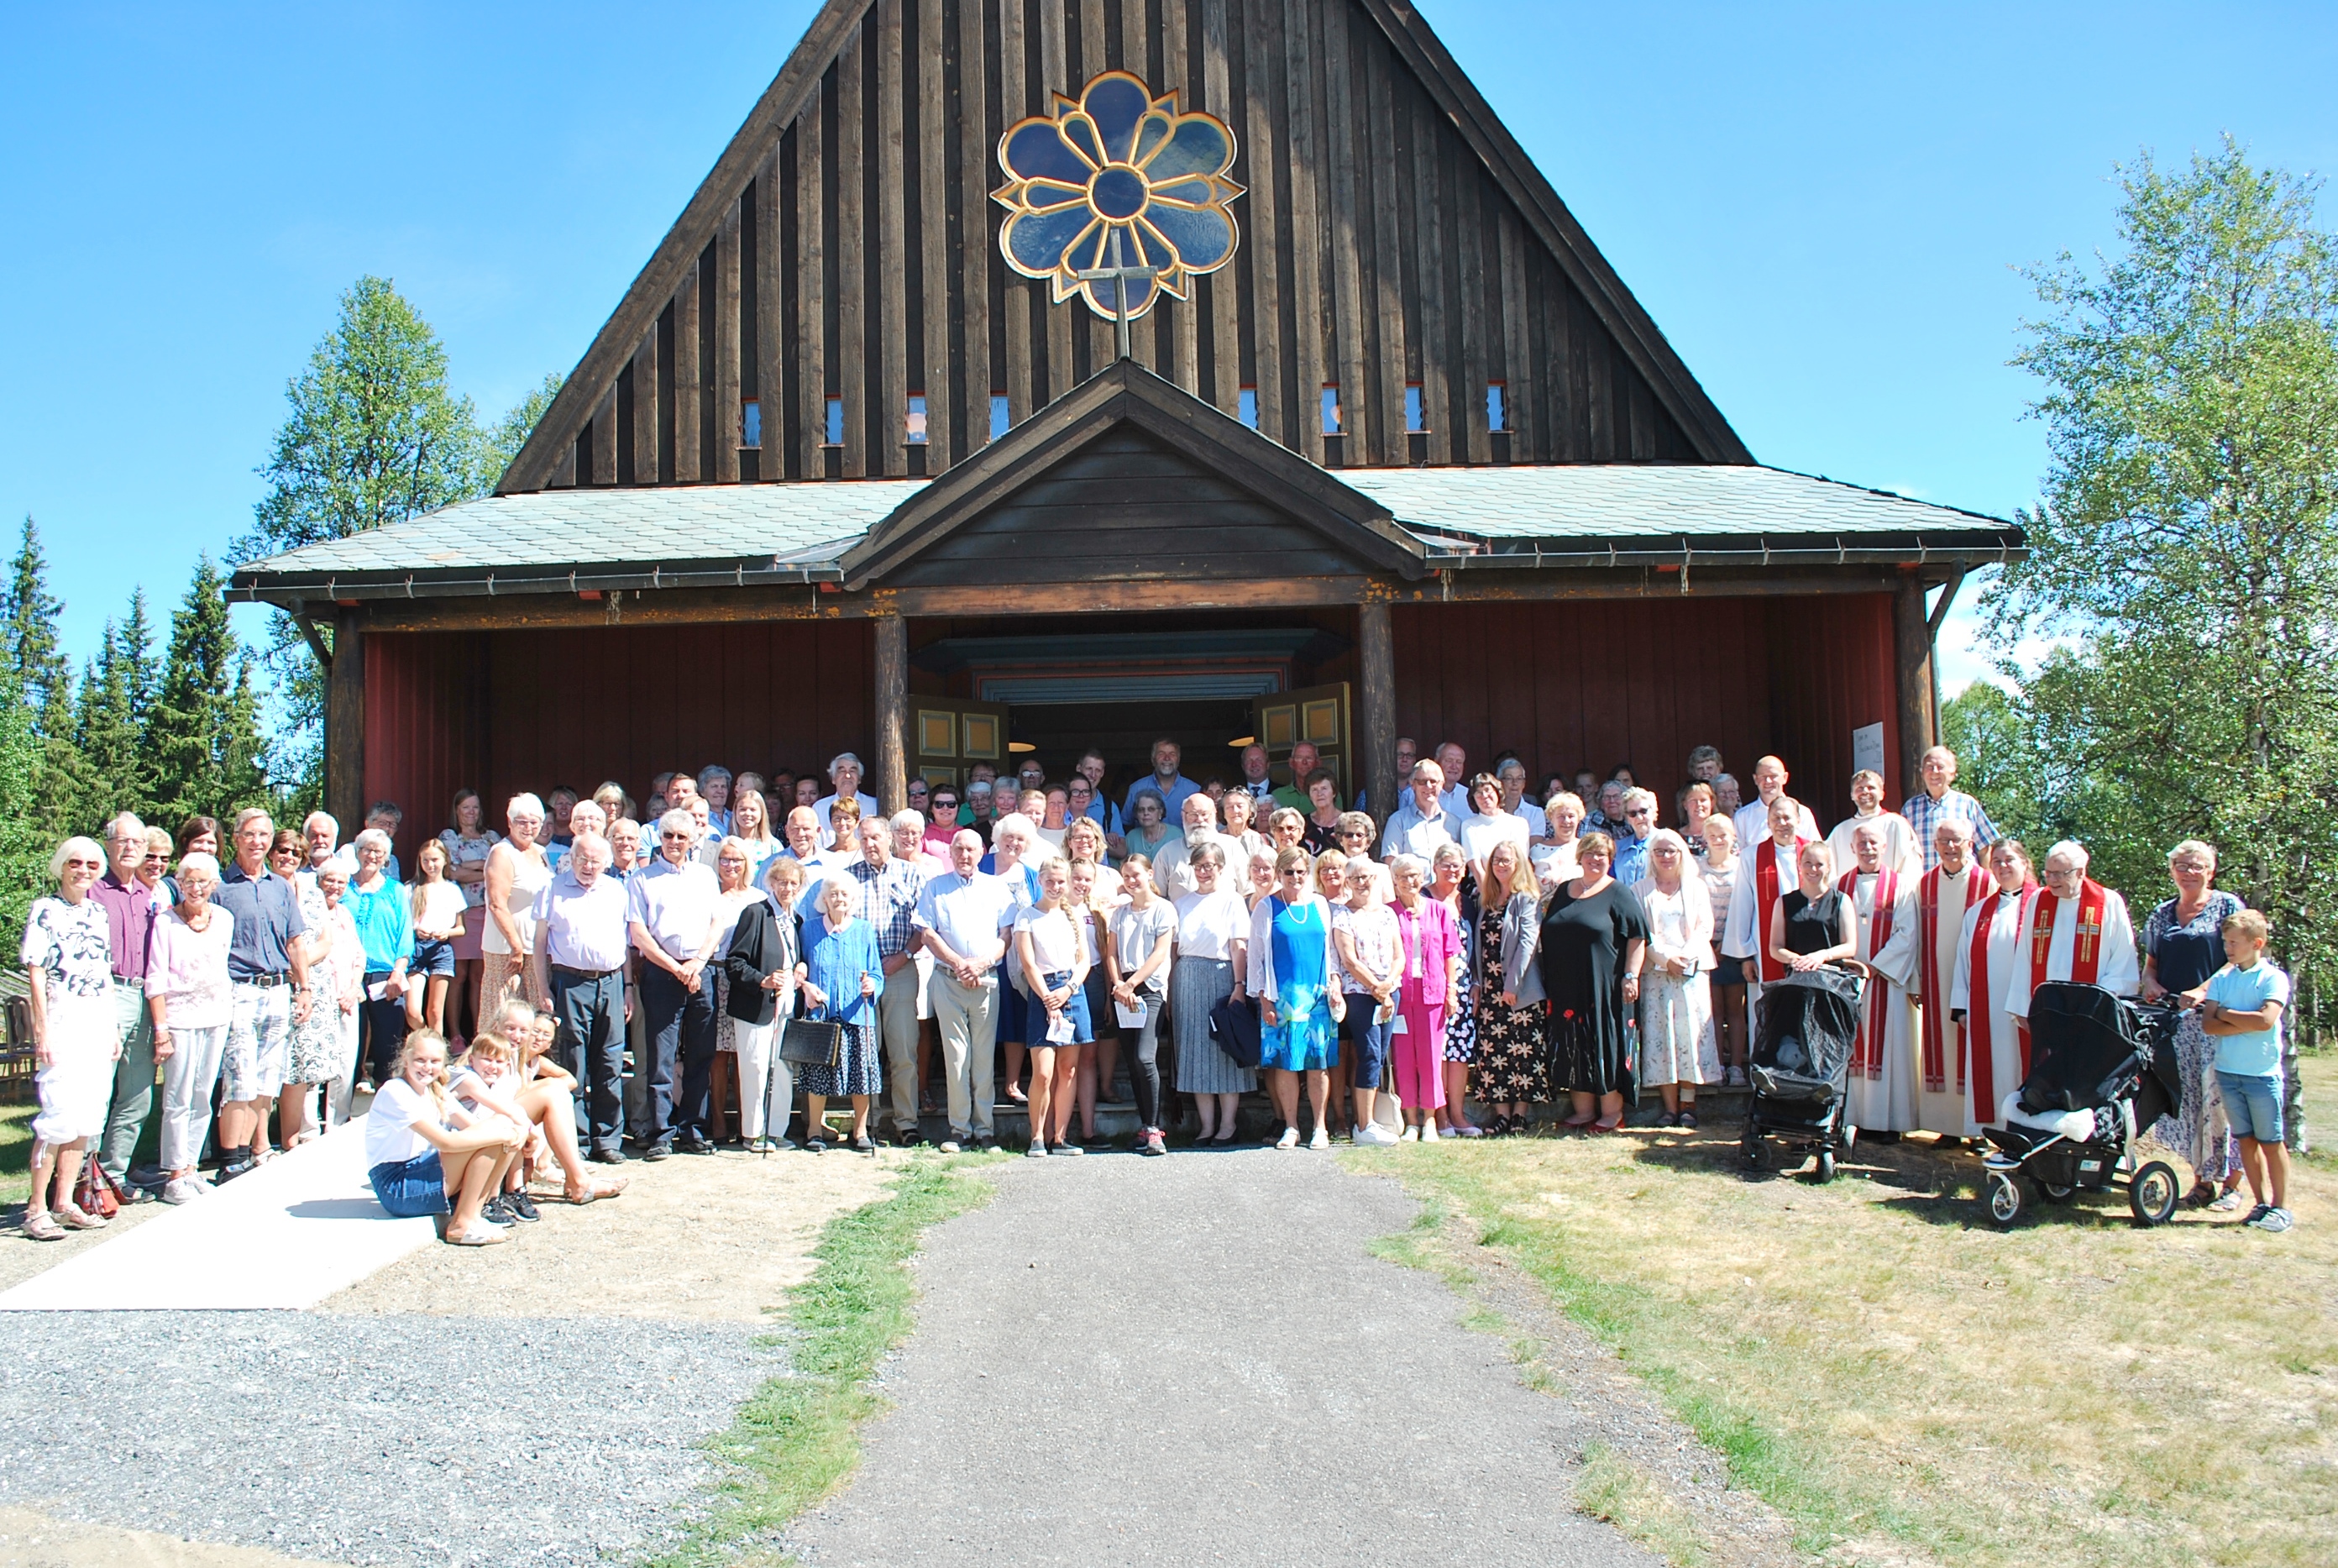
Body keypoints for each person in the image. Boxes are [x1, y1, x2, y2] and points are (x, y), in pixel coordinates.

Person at [16, 837, 119, 1240]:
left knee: (87, 1115)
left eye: (93, 864)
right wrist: (42, 1026)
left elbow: (104, 973)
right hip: (62, 1017)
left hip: (95, 1019)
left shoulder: (98, 912)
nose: (84, 870)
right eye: (75, 863)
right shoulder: (45, 910)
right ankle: (36, 1208)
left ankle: (64, 1202)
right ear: (62, 866)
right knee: (57, 1116)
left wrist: (111, 1027)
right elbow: (36, 970)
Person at [2141, 840, 2247, 1205]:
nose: (2188, 872)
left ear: (2211, 870)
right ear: (2171, 871)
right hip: (2175, 1025)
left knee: (2222, 1100)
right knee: (2189, 1103)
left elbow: (2239, 957)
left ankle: (2232, 1184)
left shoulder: (2227, 906)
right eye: (2181, 866)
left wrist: (2204, 989)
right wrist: (2150, 983)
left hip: (2216, 1021)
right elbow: (2150, 964)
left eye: (2196, 866)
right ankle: (2202, 1182)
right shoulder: (2162, 913)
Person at [211, 810, 312, 1180]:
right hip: (239, 988)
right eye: (250, 834)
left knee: (268, 1077)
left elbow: (296, 941)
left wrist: (304, 988)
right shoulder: (220, 887)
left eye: (264, 835)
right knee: (239, 1076)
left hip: (278, 990)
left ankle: (254, 1151)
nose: (258, 841)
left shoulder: (280, 887)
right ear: (236, 838)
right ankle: (229, 1159)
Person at [364, 1031, 525, 1246]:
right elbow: (445, 1142)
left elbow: (475, 1127)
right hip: (396, 1185)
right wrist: (505, 1134)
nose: (427, 1067)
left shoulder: (435, 1090)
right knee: (497, 1135)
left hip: (420, 1168)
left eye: (434, 1061)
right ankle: (461, 1224)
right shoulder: (395, 1091)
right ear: (406, 1059)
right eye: (420, 1060)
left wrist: (513, 1129)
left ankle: (474, 1216)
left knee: (498, 1128)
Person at [2184, 910, 2292, 1232]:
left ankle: (2281, 1207)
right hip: (2229, 1072)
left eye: (2234, 943)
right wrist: (2241, 1019)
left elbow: (2266, 1021)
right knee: (2245, 1140)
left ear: (2256, 943)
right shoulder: (2222, 980)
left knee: (2271, 1141)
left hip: (2262, 1074)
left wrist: (2228, 1015)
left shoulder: (2273, 978)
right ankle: (2260, 1204)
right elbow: (2209, 1024)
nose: (2228, 949)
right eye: (2226, 942)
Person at [530, 831, 632, 1163]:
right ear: (571, 860)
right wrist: (543, 989)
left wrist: (628, 988)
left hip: (612, 983)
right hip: (570, 983)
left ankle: (608, 1141)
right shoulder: (552, 888)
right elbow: (539, 944)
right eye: (583, 860)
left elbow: (626, 943)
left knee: (610, 1061)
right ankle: (578, 1140)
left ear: (607, 862)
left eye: (596, 860)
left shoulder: (617, 890)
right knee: (573, 1063)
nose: (589, 866)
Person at [1540, 828, 1650, 1135]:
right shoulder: (1564, 890)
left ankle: (1612, 1113)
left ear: (1610, 859)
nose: (1595, 859)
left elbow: (1637, 936)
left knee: (1604, 1043)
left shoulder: (1618, 892)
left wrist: (1631, 975)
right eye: (1590, 853)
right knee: (1575, 1044)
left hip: (1605, 987)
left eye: (1602, 854)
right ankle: (1583, 1111)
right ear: (1580, 857)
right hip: (1566, 987)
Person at [915, 828, 1020, 1153]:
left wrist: (981, 963)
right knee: (956, 1056)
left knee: (984, 1058)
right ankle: (959, 1129)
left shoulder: (997, 888)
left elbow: (1007, 935)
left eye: (971, 850)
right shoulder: (935, 887)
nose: (964, 855)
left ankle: (985, 1130)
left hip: (986, 980)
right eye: (958, 849)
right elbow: (927, 934)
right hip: (948, 981)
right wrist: (960, 964)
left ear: (982, 852)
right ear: (950, 851)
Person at [629, 809, 722, 1158]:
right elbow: (639, 932)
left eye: (681, 837)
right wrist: (674, 967)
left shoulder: (704, 876)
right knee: (661, 1057)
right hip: (661, 972)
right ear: (660, 839)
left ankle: (693, 1130)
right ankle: (661, 1133)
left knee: (700, 1054)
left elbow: (717, 923)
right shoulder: (642, 879)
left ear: (692, 840)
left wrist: (697, 963)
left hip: (701, 971)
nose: (674, 843)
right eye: (668, 836)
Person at [145, 852, 234, 1204]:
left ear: (214, 885)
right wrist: (162, 1029)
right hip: (180, 1017)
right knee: (177, 1097)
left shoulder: (224, 919)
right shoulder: (166, 923)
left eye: (202, 881)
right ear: (179, 883)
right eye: (188, 881)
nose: (195, 888)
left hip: (216, 1015)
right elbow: (155, 977)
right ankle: (174, 1174)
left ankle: (193, 1167)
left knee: (203, 1096)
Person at [1249, 847, 1344, 1150]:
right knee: (1287, 1064)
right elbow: (1257, 957)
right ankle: (1291, 1127)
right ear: (1279, 874)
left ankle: (1319, 1126)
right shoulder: (1266, 907)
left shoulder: (1320, 904)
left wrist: (1335, 983)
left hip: (1317, 995)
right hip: (1283, 997)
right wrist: (1264, 998)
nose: (1295, 878)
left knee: (1318, 1064)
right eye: (1289, 872)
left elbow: (1331, 950)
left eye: (1301, 872)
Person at [1836, 821, 1921, 1136]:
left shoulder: (1901, 887)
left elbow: (1906, 934)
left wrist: (1872, 967)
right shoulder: (1838, 886)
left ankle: (1888, 1123)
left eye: (1874, 843)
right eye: (1862, 843)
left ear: (1885, 847)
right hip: (1846, 983)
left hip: (1886, 982)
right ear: (1852, 848)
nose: (1868, 849)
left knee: (1889, 1050)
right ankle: (1851, 1117)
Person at [88, 813, 159, 1188]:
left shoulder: (150, 896)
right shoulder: (93, 892)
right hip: (109, 993)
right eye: (122, 841)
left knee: (138, 1093)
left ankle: (113, 1174)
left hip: (145, 995)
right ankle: (82, 1177)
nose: (130, 848)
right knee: (99, 1090)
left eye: (137, 842)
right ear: (109, 845)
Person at [1949, 840, 2038, 1132]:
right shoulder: (1978, 913)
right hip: (1988, 1012)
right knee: (1996, 1071)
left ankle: (2029, 1132)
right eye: (1996, 861)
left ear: (2025, 863)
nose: (2002, 866)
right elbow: (1963, 961)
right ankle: (1995, 1133)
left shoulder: (2043, 907)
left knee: (2026, 1068)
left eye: (2009, 859)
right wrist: (1961, 1009)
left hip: (2029, 1012)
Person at [851, 820, 930, 1146]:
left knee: (903, 1052)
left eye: (876, 837)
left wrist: (905, 956)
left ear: (890, 838)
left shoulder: (911, 873)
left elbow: (924, 925)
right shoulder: (849, 876)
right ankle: (869, 1125)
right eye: (864, 838)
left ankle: (906, 1123)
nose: (870, 843)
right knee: (867, 1053)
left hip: (900, 970)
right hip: (862, 976)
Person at [2003, 842, 2141, 1029]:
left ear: (2080, 872)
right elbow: (2024, 956)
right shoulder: (2037, 901)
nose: (2052, 880)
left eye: (2060, 874)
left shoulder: (2109, 902)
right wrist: (2021, 1007)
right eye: (2048, 873)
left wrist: (2100, 1003)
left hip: (2095, 1015)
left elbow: (2122, 959)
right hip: (2047, 1011)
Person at [1914, 818, 1992, 1140]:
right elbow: (1916, 935)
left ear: (1970, 843)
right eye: (1943, 841)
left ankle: (1976, 1127)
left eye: (1956, 840)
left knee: (1972, 1047)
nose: (1949, 847)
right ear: (1934, 846)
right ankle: (1946, 1126)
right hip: (1934, 978)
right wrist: (1917, 980)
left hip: (1975, 980)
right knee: (1941, 1048)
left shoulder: (1985, 883)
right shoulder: (1925, 884)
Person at [1634, 829, 1717, 1130]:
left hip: (1691, 973)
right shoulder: (1640, 889)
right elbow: (1642, 933)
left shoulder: (1696, 887)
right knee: (1662, 1039)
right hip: (1656, 974)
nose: (1666, 856)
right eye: (1660, 851)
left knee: (1689, 1036)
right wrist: (1665, 959)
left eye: (1672, 851)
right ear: (1652, 856)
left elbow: (1705, 927)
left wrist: (1685, 957)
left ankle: (1688, 1104)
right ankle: (1669, 1108)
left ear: (1682, 854)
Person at [1172, 842, 1253, 1141]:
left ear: (1220, 867)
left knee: (1223, 1049)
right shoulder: (1182, 903)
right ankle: (1206, 1126)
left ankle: (1228, 1124)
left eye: (1209, 866)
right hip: (1188, 976)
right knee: (1194, 1049)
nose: (1203, 872)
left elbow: (1238, 946)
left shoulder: (1231, 900)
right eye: (1198, 866)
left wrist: (1239, 985)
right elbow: (1175, 949)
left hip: (1221, 975)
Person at [726, 855, 808, 1151]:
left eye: (793, 883)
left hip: (787, 1005)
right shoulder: (755, 914)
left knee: (783, 1067)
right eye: (782, 882)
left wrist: (802, 968)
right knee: (755, 1067)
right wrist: (762, 980)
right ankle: (752, 1133)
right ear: (772, 883)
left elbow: (798, 958)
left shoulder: (796, 920)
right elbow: (734, 963)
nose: (787, 888)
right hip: (757, 1006)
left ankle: (776, 1131)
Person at [1012, 857, 1093, 1156]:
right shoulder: (1026, 916)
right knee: (1044, 1072)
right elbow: (1029, 963)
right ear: (1041, 882)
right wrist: (1049, 998)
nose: (1056, 887)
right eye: (1050, 881)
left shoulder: (1073, 916)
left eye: (1061, 882)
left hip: (1072, 990)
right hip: (1043, 991)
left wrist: (1069, 990)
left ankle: (1059, 1137)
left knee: (1068, 1069)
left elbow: (1083, 961)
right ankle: (1037, 1137)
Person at [799, 878, 884, 1153]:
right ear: (824, 899)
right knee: (818, 1075)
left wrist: (872, 984)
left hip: (857, 1014)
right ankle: (814, 1129)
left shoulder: (863, 930)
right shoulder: (809, 929)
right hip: (821, 1015)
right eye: (833, 894)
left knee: (862, 1074)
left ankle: (860, 1132)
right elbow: (801, 966)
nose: (839, 899)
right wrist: (806, 986)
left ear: (853, 899)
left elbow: (876, 972)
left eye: (845, 894)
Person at [1722, 794, 1815, 1031]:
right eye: (1776, 818)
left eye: (1787, 817)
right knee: (1770, 1018)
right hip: (1764, 954)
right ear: (1768, 822)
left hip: (1809, 948)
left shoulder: (1814, 854)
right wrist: (1745, 956)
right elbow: (1742, 905)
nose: (1782, 823)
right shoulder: (1752, 856)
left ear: (1798, 819)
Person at [1474, 841, 1548, 1135]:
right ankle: (1501, 1114)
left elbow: (1528, 943)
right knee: (1494, 1054)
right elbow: (1479, 948)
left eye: (1507, 860)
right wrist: (1479, 982)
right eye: (1496, 861)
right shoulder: (1487, 899)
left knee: (1523, 1052)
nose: (1501, 865)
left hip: (1519, 991)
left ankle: (1519, 1115)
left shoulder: (1527, 898)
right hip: (1491, 990)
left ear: (1518, 864)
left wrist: (1512, 984)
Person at [1105, 855, 1177, 1156]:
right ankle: (1145, 1127)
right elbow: (1110, 953)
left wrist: (1132, 984)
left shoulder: (1164, 909)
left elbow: (1160, 954)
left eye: (1136, 874)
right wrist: (1118, 986)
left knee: (1144, 1056)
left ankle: (1154, 1128)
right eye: (1126, 876)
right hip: (1122, 990)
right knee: (1132, 1061)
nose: (1131, 880)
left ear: (1149, 874)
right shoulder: (1119, 914)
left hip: (1148, 989)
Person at [1387, 854, 1463, 1140]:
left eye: (1415, 875)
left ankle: (1430, 1118)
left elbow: (1450, 953)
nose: (1410, 881)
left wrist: (1451, 990)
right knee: (1404, 1057)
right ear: (1394, 880)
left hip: (1433, 992)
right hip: (1401, 994)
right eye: (1404, 876)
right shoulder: (1388, 912)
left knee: (1431, 1057)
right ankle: (1411, 1120)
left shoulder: (1439, 910)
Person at [287, 860, 362, 1141]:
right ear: (318, 882)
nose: (335, 886)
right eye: (329, 880)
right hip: (317, 997)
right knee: (313, 1064)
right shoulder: (307, 912)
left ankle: (337, 1123)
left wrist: (355, 987)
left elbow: (358, 955)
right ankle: (308, 1129)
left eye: (341, 882)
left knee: (345, 1063)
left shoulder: (344, 914)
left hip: (347, 997)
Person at [706, 839, 772, 1144]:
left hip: (748, 980)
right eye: (724, 859)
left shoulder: (759, 898)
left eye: (737, 860)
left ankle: (749, 1123)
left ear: (747, 864)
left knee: (746, 1055)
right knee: (719, 1055)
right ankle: (719, 1122)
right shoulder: (708, 895)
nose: (730, 865)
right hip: (715, 975)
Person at [1333, 856, 1402, 1145]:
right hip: (1360, 996)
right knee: (1370, 1053)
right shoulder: (1342, 916)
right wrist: (1377, 988)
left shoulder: (1388, 913)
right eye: (1356, 878)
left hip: (1388, 993)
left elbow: (1400, 956)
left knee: (1379, 1054)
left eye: (1368, 877)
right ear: (1347, 883)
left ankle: (1369, 1121)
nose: (1363, 883)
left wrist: (1387, 989)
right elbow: (1349, 959)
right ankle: (1365, 1125)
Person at [343, 829, 414, 1102]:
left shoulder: (395, 890)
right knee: (352, 1043)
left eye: (378, 852)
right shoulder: (344, 887)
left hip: (385, 975)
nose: (372, 855)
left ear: (386, 858)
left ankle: (388, 1104)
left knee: (388, 1042)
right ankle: (341, 1111)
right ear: (357, 852)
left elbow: (405, 934)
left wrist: (399, 970)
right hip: (349, 975)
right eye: (366, 850)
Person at [438, 789, 501, 1045]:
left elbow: (499, 872)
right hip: (460, 915)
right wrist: (484, 868)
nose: (471, 813)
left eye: (475, 807)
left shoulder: (491, 838)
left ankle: (479, 1032)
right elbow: (451, 873)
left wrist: (469, 868)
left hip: (488, 914)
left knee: (480, 975)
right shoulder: (449, 837)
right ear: (456, 810)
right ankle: (455, 1033)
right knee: (458, 974)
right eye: (465, 808)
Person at [481, 794, 553, 1015]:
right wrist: (515, 947)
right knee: (506, 1015)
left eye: (534, 822)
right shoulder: (502, 853)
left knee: (536, 1015)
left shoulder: (541, 852)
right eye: (521, 821)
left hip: (537, 947)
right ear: (510, 822)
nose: (528, 827)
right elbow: (496, 904)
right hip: (509, 951)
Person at [1427, 842, 1481, 1136]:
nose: (1451, 870)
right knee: (1435, 1052)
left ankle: (1458, 1114)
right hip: (1431, 987)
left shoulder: (1468, 902)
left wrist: (1475, 982)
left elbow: (1475, 948)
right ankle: (1439, 1115)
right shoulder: (1422, 897)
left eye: (1457, 866)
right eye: (1445, 864)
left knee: (1458, 1053)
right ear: (1434, 867)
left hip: (1461, 988)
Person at [1699, 815, 1748, 1086]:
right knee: (1713, 1010)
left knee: (1735, 1009)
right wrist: (1709, 943)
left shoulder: (1742, 868)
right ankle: (1716, 1065)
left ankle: (1737, 1066)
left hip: (1735, 948)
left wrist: (1729, 944)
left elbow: (1745, 908)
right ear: (1704, 838)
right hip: (1706, 948)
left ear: (1734, 838)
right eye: (1713, 835)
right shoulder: (1696, 868)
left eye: (1723, 835)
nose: (1718, 840)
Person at [405, 837, 466, 1039]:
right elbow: (404, 923)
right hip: (415, 949)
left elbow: (461, 929)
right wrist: (416, 930)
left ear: (445, 861)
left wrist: (446, 932)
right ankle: (426, 1039)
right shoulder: (411, 888)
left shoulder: (453, 889)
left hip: (441, 948)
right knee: (413, 1011)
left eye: (435, 860)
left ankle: (437, 1055)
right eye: (426, 861)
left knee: (435, 1011)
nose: (430, 865)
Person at [1904, 746, 2000, 872]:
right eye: (1929, 766)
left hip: (1964, 883)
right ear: (1922, 772)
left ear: (1952, 773)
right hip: (1926, 885)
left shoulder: (1966, 803)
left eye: (1940, 767)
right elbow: (1903, 851)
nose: (1934, 771)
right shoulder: (1910, 808)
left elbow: (1985, 848)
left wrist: (1988, 883)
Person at [1824, 769, 1921, 878]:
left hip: (1889, 891)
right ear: (1852, 795)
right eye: (1859, 788)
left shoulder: (1897, 824)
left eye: (1871, 788)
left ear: (1882, 794)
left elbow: (1910, 868)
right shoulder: (1840, 831)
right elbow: (1829, 872)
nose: (1865, 791)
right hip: (1849, 893)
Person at [1730, 756, 1821, 854]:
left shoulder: (1803, 813)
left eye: (1773, 776)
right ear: (1755, 779)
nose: (1768, 781)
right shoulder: (1743, 816)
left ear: (1785, 778)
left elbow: (1815, 850)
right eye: (1763, 777)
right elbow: (1737, 855)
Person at [1458, 772, 1530, 888]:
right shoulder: (1469, 826)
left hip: (1515, 887)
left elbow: (1521, 863)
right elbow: (1476, 868)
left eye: (1488, 790)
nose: (1484, 796)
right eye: (1479, 793)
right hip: (1482, 888)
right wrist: (1490, 899)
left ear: (1497, 792)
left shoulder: (1519, 824)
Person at [1381, 760, 1460, 861]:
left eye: (1433, 781)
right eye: (1422, 782)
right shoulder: (1397, 821)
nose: (1428, 786)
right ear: (1413, 784)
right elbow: (1391, 864)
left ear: (1441, 785)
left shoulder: (1455, 824)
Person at [1151, 793, 1225, 899]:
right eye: (1193, 814)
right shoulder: (1167, 853)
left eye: (1204, 814)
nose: (1199, 820)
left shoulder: (1232, 847)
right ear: (1183, 816)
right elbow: (1156, 896)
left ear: (1214, 814)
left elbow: (1247, 892)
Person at [1123, 737, 1201, 825]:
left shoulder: (1195, 791)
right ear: (1153, 760)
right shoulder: (1136, 788)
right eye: (1161, 754)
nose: (1167, 758)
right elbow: (1126, 825)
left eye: (1172, 754)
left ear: (1178, 760)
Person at [1530, 791, 1586, 887]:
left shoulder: (1586, 849)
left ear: (1579, 818)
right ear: (1551, 818)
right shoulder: (1536, 851)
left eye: (1571, 816)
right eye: (1561, 816)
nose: (1566, 821)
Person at [728, 789, 782, 882]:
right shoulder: (727, 844)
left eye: (753, 810)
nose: (748, 814)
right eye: (743, 809)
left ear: (762, 813)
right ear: (735, 812)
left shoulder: (773, 845)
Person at [1612, 787, 1659, 887]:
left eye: (1643, 811)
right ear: (1627, 818)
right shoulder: (1618, 848)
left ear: (1654, 812)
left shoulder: (1667, 841)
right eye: (1633, 813)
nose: (1639, 817)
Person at [1123, 789, 1179, 864]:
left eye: (1151, 809)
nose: (1146, 813)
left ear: (1160, 812)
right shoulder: (1131, 837)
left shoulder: (1176, 835)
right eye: (1141, 810)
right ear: (1136, 814)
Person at [1494, 757, 1547, 837]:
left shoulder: (1535, 813)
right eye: (1509, 778)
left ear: (1524, 783)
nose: (1515, 783)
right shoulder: (1491, 812)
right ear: (1500, 782)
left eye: (1519, 779)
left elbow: (1534, 847)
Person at [1300, 773, 1345, 854]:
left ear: (1334, 793)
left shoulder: (1348, 822)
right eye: (1314, 790)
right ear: (1309, 796)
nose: (1319, 794)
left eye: (1324, 788)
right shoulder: (1302, 823)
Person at [923, 785, 963, 858]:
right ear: (931, 808)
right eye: (939, 804)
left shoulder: (969, 836)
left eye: (951, 804)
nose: (945, 808)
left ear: (958, 808)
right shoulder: (921, 835)